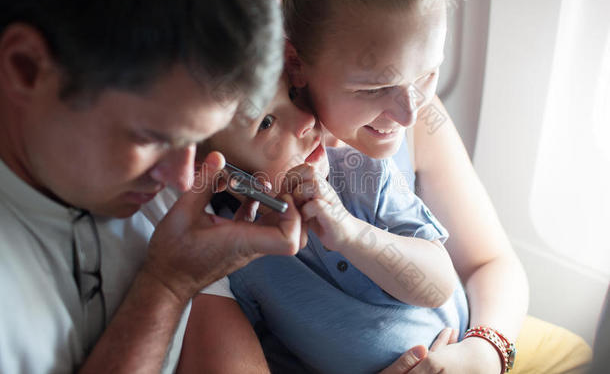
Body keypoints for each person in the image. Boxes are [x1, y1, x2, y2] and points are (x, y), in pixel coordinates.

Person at [281, 0, 593, 372]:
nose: (409, 113)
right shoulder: (255, 154)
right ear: (296, 63)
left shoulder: (424, 121)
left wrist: (484, 353)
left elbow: (492, 262)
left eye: (427, 74)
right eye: (373, 88)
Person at [0, 0, 308, 373]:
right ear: (27, 68)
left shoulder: (150, 194)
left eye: (199, 139)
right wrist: (167, 287)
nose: (182, 180)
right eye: (152, 138)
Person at [179, 72, 464, 373]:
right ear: (223, 177)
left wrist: (349, 233)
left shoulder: (364, 171)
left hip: (458, 351)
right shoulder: (239, 259)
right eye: (266, 122)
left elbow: (439, 286)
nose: (304, 119)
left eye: (293, 95)